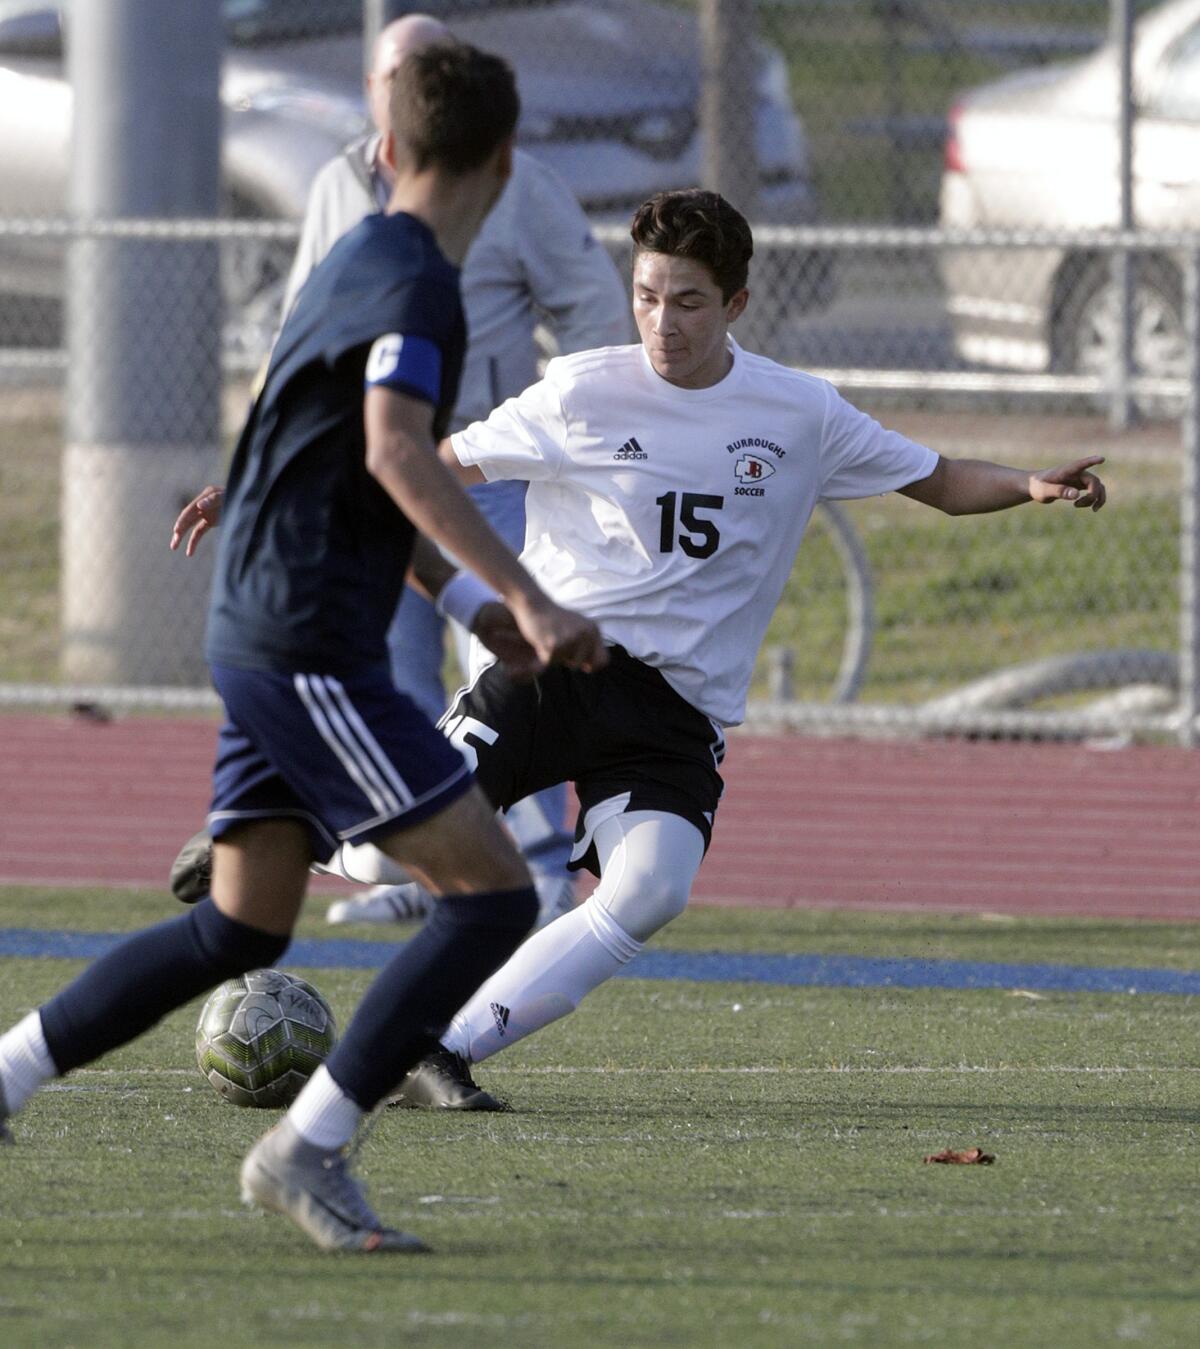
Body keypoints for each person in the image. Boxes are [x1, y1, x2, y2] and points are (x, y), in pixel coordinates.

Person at [170, 188, 1107, 1116]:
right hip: (550, 676)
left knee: (652, 888)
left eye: (690, 300)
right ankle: (270, 827)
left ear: (737, 305)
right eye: (648, 296)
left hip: (676, 712)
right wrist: (263, 492)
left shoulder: (799, 413)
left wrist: (1028, 483)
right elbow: (412, 464)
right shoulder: (581, 390)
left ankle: (438, 1047)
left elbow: (939, 480)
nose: (665, 321)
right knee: (385, 862)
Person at [0, 40, 606, 1255]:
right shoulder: (421, 281)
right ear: (502, 159)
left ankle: (5, 1072)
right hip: (308, 645)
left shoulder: (351, 255)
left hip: (261, 624)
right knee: (493, 892)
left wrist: (459, 605)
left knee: (239, 926)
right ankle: (306, 1147)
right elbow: (395, 450)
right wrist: (527, 595)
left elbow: (335, 460)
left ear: (387, 151)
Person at [286, 13, 631, 930]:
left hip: (485, 473)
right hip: (374, 478)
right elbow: (302, 328)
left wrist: (557, 434)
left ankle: (544, 870)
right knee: (393, 676)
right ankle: (428, 871)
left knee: (504, 660)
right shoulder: (335, 183)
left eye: (424, 74)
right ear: (374, 98)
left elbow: (594, 312)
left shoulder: (515, 185)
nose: (406, 92)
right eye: (392, 77)